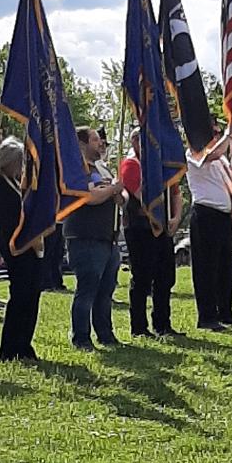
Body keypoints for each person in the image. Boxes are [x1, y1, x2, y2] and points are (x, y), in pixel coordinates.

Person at [63, 127, 125, 350]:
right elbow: (90, 198)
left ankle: (105, 334)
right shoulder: (78, 171)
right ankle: (81, 337)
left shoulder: (103, 169)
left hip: (108, 238)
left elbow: (118, 199)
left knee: (106, 290)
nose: (101, 143)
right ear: (81, 145)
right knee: (87, 289)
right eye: (95, 139)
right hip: (85, 236)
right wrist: (112, 189)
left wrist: (117, 192)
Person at [120, 127, 183, 337]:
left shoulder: (161, 165)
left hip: (162, 227)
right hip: (140, 227)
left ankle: (162, 323)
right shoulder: (131, 164)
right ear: (136, 142)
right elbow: (140, 194)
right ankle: (139, 327)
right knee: (142, 277)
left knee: (165, 276)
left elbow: (175, 192)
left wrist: (175, 217)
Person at [0, 136, 43, 363]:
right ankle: (10, 348)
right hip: (14, 242)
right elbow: (8, 218)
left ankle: (24, 345)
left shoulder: (18, 183)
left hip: (30, 242)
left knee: (32, 293)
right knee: (20, 294)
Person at [186, 125, 232, 331]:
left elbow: (229, 182)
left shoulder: (222, 160)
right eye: (213, 133)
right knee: (206, 268)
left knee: (226, 266)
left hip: (223, 217)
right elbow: (212, 155)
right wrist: (228, 134)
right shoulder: (194, 154)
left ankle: (225, 311)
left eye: (217, 133)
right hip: (205, 214)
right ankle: (206, 316)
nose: (216, 136)